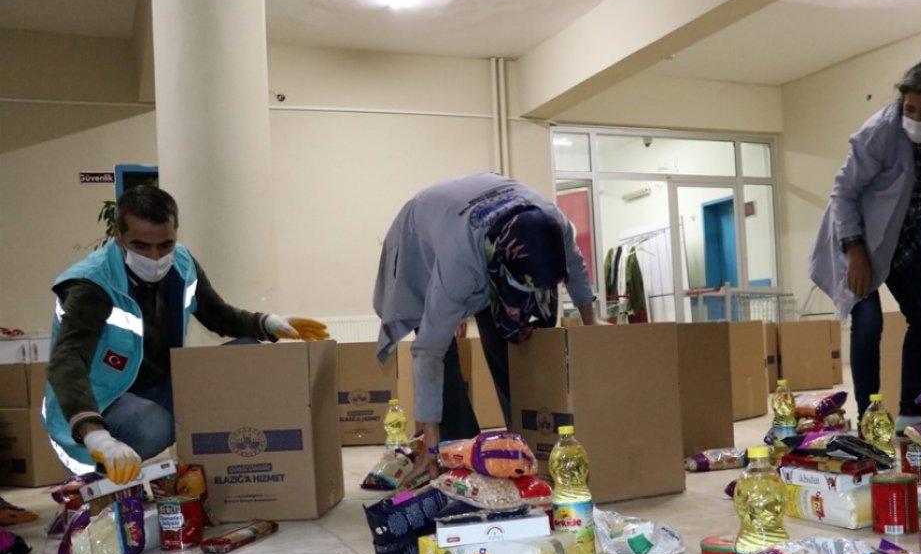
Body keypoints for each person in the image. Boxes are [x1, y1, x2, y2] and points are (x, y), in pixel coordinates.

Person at [44, 185, 329, 484]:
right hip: (101, 401)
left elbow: (217, 314)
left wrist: (268, 324)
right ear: (118, 234)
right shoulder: (91, 284)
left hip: (161, 385)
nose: (155, 257)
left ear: (176, 232)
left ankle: (230, 463)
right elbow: (67, 363)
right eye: (141, 246)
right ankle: (101, 478)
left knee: (247, 354)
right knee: (152, 425)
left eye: (165, 245)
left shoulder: (182, 263)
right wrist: (97, 436)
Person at [809, 44, 921, 428]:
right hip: (857, 236)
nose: (916, 119)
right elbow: (843, 193)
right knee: (869, 321)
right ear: (901, 104)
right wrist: (855, 251)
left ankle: (910, 410)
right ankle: (870, 416)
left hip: (904, 239)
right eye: (910, 110)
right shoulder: (880, 132)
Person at [374, 172, 597, 454]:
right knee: (444, 358)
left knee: (513, 348)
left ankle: (526, 438)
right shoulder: (460, 264)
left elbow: (574, 264)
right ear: (499, 268)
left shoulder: (554, 222)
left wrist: (590, 319)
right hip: (422, 233)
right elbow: (428, 352)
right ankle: (454, 450)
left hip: (478, 226)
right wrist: (430, 445)